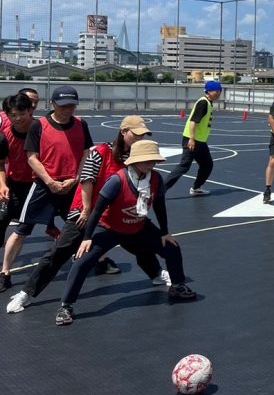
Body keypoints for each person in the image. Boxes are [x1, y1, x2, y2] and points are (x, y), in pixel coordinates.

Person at [6, 116, 168, 315]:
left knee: (141, 242)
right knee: (59, 252)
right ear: (123, 132)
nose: (140, 138)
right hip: (88, 213)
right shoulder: (101, 152)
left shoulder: (139, 158)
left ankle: (156, 274)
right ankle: (27, 293)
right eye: (136, 134)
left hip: (118, 216)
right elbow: (86, 180)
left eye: (143, 135)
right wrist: (85, 210)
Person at [54, 139, 197, 326]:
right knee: (83, 262)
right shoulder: (117, 180)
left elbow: (160, 206)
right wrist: (87, 238)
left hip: (138, 226)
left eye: (153, 161)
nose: (151, 164)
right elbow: (97, 210)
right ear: (135, 160)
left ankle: (177, 286)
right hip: (110, 228)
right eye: (146, 160)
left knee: (171, 247)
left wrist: (164, 233)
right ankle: (66, 306)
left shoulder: (155, 179)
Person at [1, 86, 92, 283]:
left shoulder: (80, 124)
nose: (67, 109)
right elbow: (30, 158)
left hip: (69, 185)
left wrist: (76, 178)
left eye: (71, 105)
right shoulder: (36, 127)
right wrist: (49, 181)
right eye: (63, 105)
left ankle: (100, 260)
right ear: (52, 104)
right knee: (21, 229)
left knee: (86, 225)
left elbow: (86, 153)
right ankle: (5, 272)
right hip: (38, 185)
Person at [0, 93, 34, 292]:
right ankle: (6, 273)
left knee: (75, 223)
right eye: (13, 114)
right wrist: (2, 185)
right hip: (14, 184)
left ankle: (98, 257)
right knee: (3, 218)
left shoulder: (41, 130)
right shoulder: (4, 135)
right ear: (7, 115)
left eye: (22, 113)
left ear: (30, 111)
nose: (18, 118)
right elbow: (0, 165)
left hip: (40, 186)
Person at [165, 80, 222, 196]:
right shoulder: (203, 103)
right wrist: (191, 139)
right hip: (193, 140)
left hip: (200, 141)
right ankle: (160, 189)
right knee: (184, 166)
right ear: (209, 91)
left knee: (207, 164)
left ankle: (196, 187)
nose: (218, 94)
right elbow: (193, 122)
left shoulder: (208, 102)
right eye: (216, 91)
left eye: (220, 91)